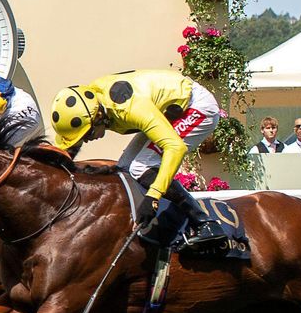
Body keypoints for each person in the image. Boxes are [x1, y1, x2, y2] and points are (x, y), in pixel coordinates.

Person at [50, 69, 226, 249]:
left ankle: (205, 223)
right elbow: (71, 145)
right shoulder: (94, 105)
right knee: (125, 168)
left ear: (98, 117)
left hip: (196, 107)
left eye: (87, 134)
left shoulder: (129, 108)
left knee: (140, 168)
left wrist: (153, 196)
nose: (87, 139)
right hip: (165, 110)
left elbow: (175, 147)